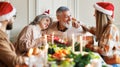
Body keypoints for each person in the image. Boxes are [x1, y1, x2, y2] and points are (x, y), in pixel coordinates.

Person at [0, 1, 29, 67]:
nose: (14, 20)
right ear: (7, 18)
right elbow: (14, 61)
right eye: (13, 16)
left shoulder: (3, 34)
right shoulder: (1, 38)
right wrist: (35, 59)